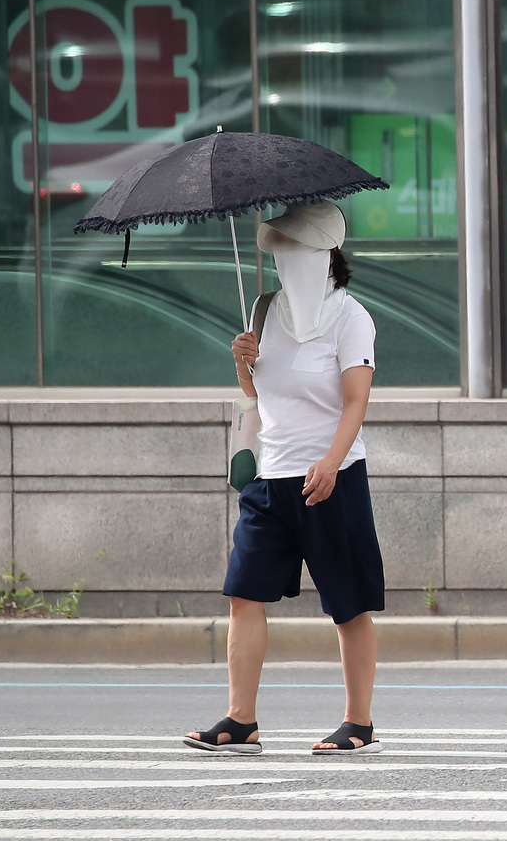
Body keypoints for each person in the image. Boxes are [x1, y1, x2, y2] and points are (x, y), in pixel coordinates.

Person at [184, 201, 385, 756]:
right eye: (280, 255)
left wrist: (330, 461)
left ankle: (359, 722)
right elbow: (259, 397)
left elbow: (355, 401)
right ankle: (240, 719)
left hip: (332, 476)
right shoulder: (264, 308)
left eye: (296, 253)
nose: (285, 265)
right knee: (244, 594)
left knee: (348, 603)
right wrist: (242, 361)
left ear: (326, 258)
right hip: (270, 477)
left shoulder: (352, 318)